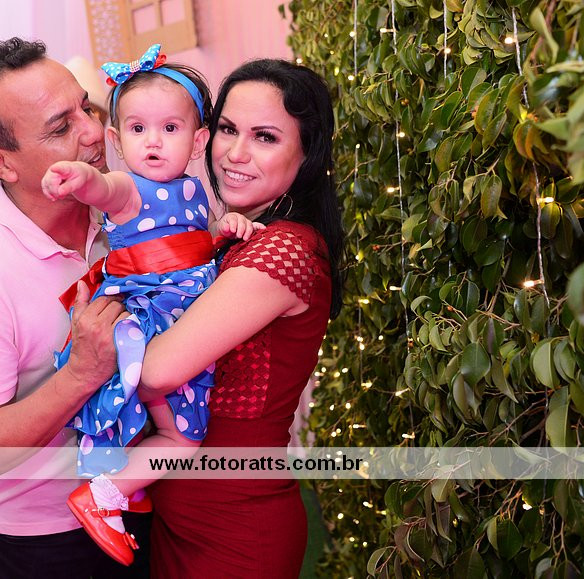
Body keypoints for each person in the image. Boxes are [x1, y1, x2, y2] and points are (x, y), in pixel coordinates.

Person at [0, 37, 150, 578]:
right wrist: (80, 374)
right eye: (60, 127)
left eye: (86, 108)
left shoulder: (122, 202)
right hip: (48, 538)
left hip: (145, 493)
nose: (94, 132)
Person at [40, 44, 261, 566]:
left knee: (167, 426)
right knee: (183, 437)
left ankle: (125, 485)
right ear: (116, 140)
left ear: (198, 140)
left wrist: (227, 226)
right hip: (153, 323)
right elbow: (104, 188)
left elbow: (199, 237)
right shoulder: (130, 189)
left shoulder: (194, 190)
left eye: (170, 128)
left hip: (184, 321)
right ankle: (103, 495)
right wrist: (80, 179)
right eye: (138, 129)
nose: (153, 142)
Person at [137, 58, 345, 577]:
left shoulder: (283, 249)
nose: (235, 153)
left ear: (308, 154)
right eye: (228, 129)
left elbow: (155, 371)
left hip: (234, 528)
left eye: (265, 137)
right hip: (184, 516)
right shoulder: (240, 234)